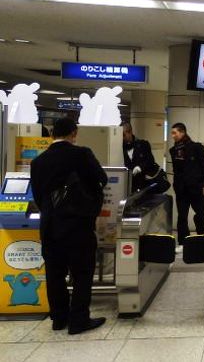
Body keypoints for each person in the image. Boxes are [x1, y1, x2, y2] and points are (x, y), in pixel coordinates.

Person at [30, 118, 108, 334]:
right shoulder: (81, 154)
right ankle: (79, 320)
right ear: (74, 133)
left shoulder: (38, 162)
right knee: (82, 272)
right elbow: (101, 178)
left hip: (50, 226)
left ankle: (59, 318)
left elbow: (38, 196)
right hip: (78, 224)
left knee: (54, 273)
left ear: (53, 134)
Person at [169, 123, 204, 250]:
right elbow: (176, 170)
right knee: (182, 216)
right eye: (172, 133)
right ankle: (183, 242)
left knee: (200, 214)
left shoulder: (196, 148)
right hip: (181, 189)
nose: (173, 136)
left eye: (174, 133)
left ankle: (201, 237)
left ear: (182, 132)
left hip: (197, 187)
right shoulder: (173, 151)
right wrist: (176, 185)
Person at [122, 122, 157, 193]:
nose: (122, 138)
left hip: (143, 183)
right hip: (127, 184)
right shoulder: (120, 148)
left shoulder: (143, 144)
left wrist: (140, 167)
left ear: (130, 132)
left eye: (123, 135)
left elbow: (150, 161)